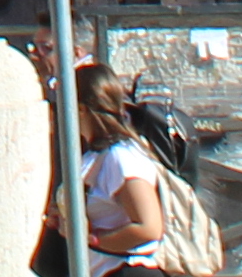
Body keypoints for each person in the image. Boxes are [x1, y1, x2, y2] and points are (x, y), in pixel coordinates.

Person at [66, 63, 167, 273]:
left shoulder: (121, 158)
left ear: (81, 109)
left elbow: (149, 228)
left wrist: (92, 239)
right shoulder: (94, 155)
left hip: (128, 270)